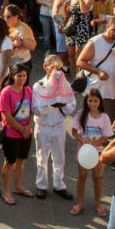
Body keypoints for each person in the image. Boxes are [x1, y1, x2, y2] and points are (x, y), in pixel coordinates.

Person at [31, 55, 74, 200]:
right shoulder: (39, 86)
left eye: (58, 68)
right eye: (52, 67)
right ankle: (41, 185)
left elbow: (71, 104)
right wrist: (49, 103)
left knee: (59, 157)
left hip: (59, 125)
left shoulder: (65, 84)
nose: (56, 71)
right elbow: (37, 110)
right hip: (43, 126)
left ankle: (59, 184)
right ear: (45, 67)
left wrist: (63, 105)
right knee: (42, 157)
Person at [0, 64, 35, 205]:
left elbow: (32, 110)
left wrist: (29, 126)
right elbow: (6, 116)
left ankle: (18, 186)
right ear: (12, 76)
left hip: (26, 133)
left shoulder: (28, 90)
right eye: (19, 75)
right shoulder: (6, 92)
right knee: (9, 162)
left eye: (24, 75)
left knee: (21, 161)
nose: (22, 78)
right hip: (11, 134)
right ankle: (6, 191)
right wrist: (21, 129)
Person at [70, 89, 112, 217]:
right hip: (83, 151)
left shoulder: (104, 117)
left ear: (100, 101)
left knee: (97, 177)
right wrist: (81, 139)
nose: (92, 103)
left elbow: (106, 136)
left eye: (95, 101)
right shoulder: (81, 114)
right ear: (86, 101)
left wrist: (96, 143)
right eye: (90, 100)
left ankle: (98, 204)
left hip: (97, 152)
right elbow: (74, 131)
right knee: (82, 176)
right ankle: (80, 203)